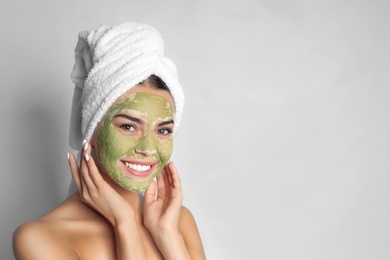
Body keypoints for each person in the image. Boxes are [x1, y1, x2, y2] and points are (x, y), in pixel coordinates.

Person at [13, 21, 206, 259]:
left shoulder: (178, 222)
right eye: (128, 126)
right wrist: (123, 222)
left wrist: (167, 235)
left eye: (163, 131)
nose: (148, 149)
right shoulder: (41, 237)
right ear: (92, 129)